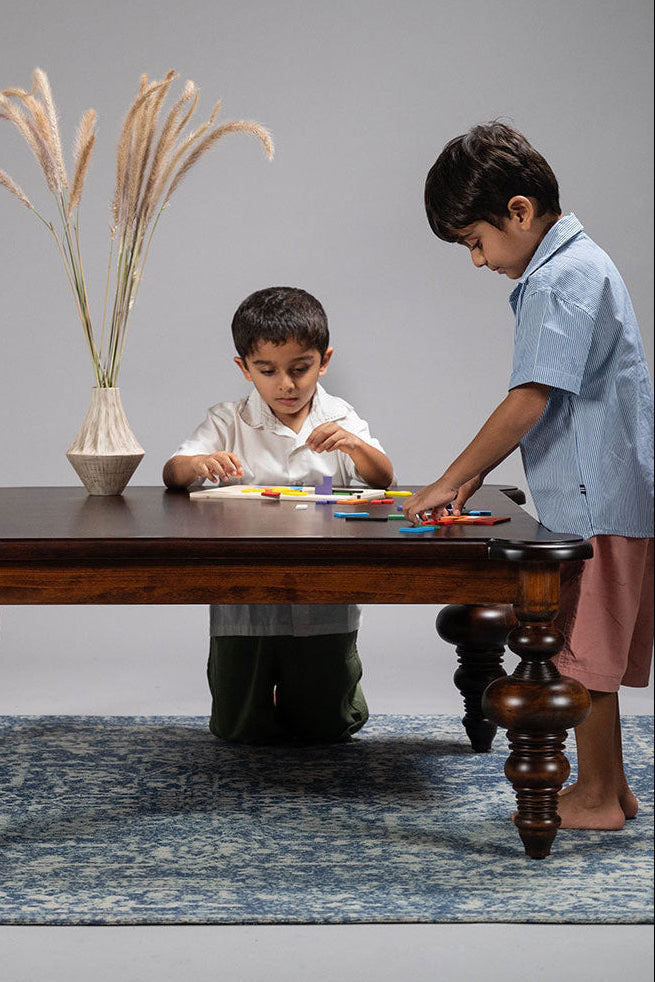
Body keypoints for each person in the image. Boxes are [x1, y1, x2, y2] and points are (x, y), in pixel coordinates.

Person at [405, 122, 654, 831]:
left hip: (597, 501)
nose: (476, 261)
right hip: (607, 496)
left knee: (579, 657)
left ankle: (598, 797)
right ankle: (610, 788)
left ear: (518, 211)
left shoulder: (559, 278)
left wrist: (452, 479)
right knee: (587, 654)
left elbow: (528, 398)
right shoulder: (578, 264)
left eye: (473, 242)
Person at [164, 286, 394, 745]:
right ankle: (260, 705)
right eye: (267, 371)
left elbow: (383, 478)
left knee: (327, 726)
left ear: (323, 361)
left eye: (300, 369)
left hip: (322, 583)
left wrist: (353, 445)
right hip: (244, 586)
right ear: (244, 368)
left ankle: (315, 700)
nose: (286, 385)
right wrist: (199, 464)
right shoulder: (228, 420)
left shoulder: (339, 417)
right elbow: (174, 472)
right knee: (237, 726)